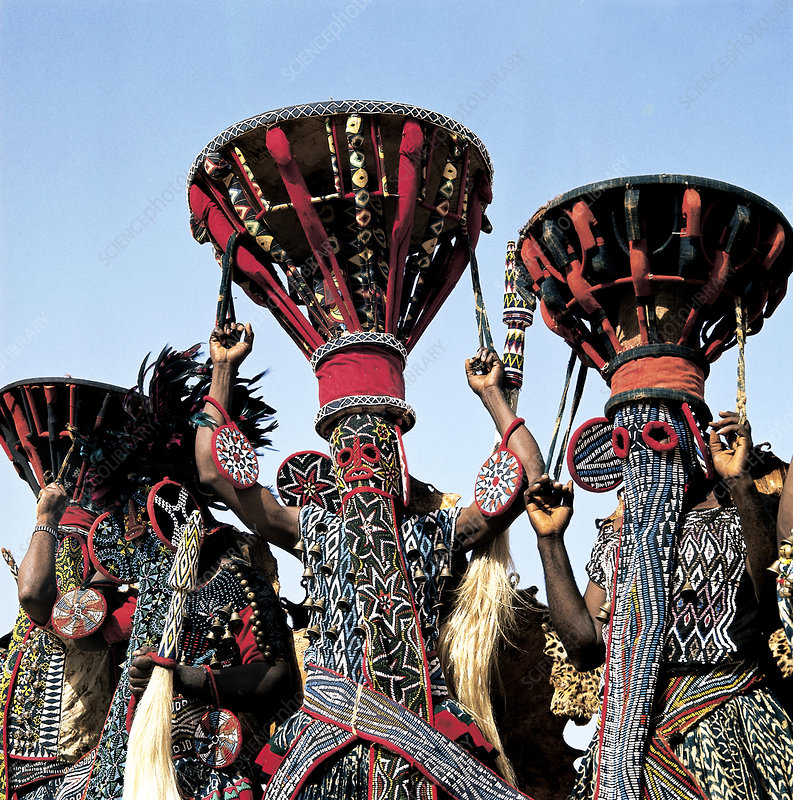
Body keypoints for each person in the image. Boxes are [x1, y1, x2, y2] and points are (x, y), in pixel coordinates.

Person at [196, 323, 545, 800]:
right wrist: (222, 370)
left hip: (424, 746)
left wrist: (492, 396)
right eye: (345, 452)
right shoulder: (314, 531)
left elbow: (527, 476)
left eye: (373, 448)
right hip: (330, 747)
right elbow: (213, 472)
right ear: (333, 464)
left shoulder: (434, 533)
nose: (360, 461)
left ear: (395, 455)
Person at [525, 410, 793, 799]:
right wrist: (550, 541)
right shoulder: (619, 532)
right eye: (627, 437)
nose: (644, 449)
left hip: (735, 727)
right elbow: (585, 648)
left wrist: (739, 483)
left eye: (657, 431)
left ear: (691, 433)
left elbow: (770, 602)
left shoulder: (739, 507)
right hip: (629, 745)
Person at [2, 483, 131, 800]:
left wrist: (47, 518)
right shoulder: (27, 633)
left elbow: (33, 594)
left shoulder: (113, 605)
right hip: (22, 774)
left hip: (73, 772)